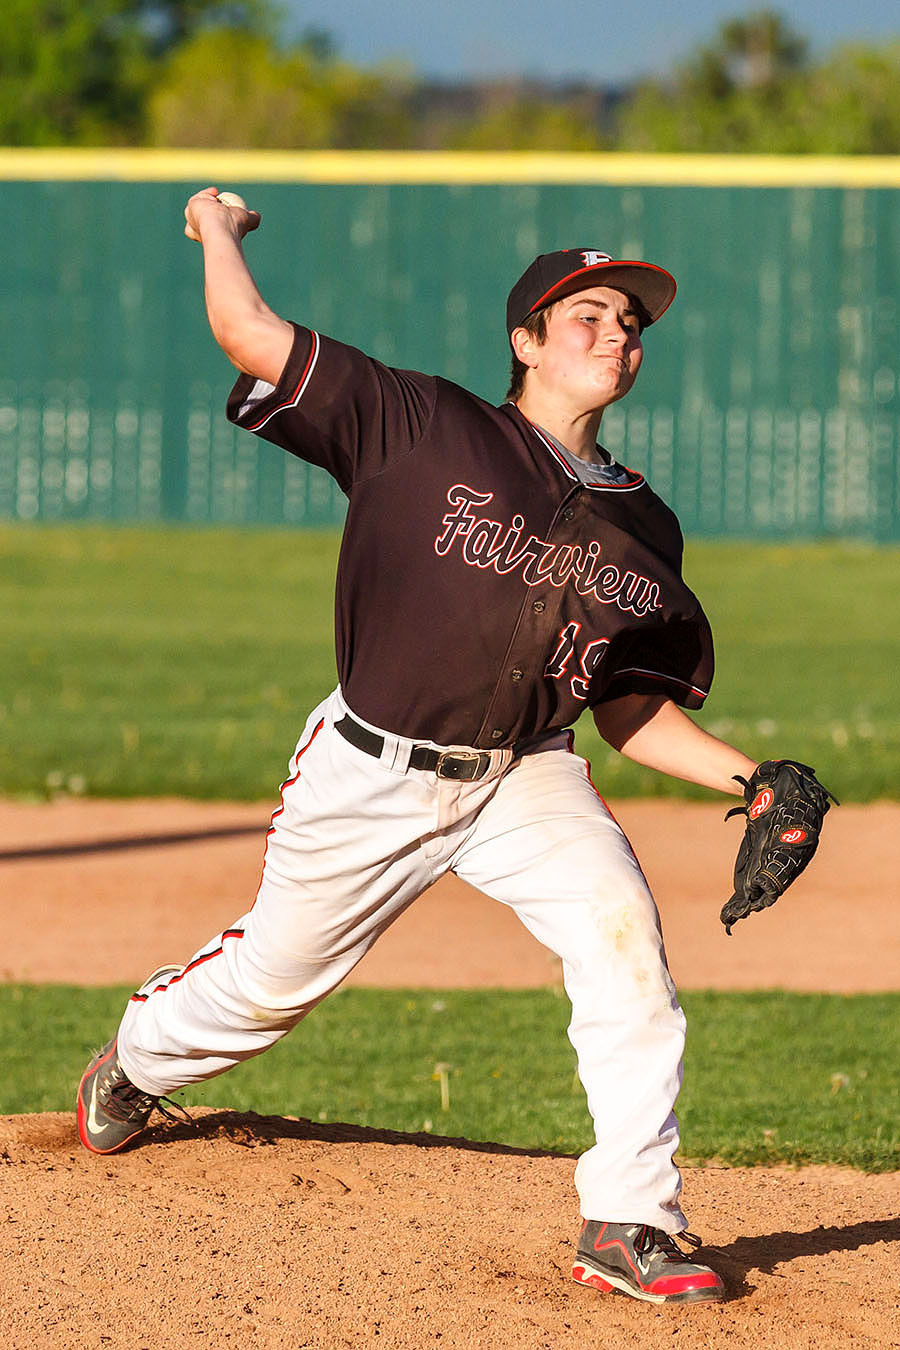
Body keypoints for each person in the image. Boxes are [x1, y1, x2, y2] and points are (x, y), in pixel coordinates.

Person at [77, 188, 764, 1306]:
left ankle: (632, 1220)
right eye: (587, 315)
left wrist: (757, 778)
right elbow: (251, 338)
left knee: (623, 944)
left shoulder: (645, 525)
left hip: (525, 775)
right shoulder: (419, 422)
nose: (618, 336)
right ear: (527, 342)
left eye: (631, 323)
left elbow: (628, 708)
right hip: (371, 768)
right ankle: (139, 1064)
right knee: (265, 988)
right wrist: (215, 229)